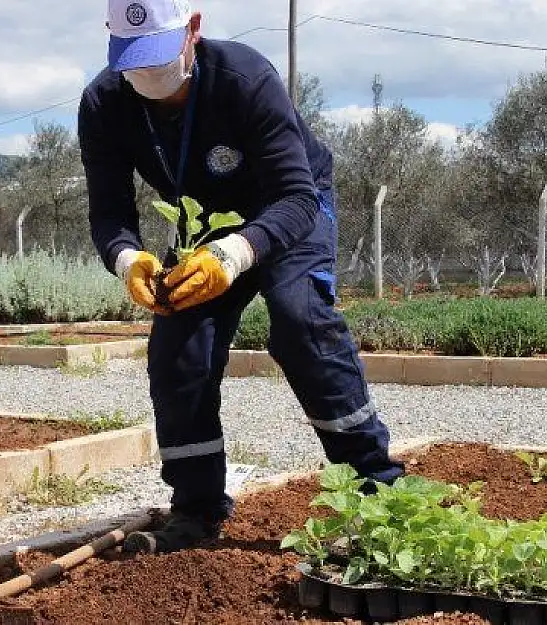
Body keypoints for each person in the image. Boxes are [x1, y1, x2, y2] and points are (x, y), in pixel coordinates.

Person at [78, 0, 406, 555]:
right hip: (205, 222)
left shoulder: (244, 79)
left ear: (193, 30)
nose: (148, 77)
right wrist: (128, 258)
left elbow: (297, 196)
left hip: (290, 208)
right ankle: (196, 509)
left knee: (301, 321)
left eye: (159, 59)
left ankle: (380, 493)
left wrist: (235, 255)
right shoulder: (104, 103)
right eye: (133, 63)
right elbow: (109, 212)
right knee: (176, 349)